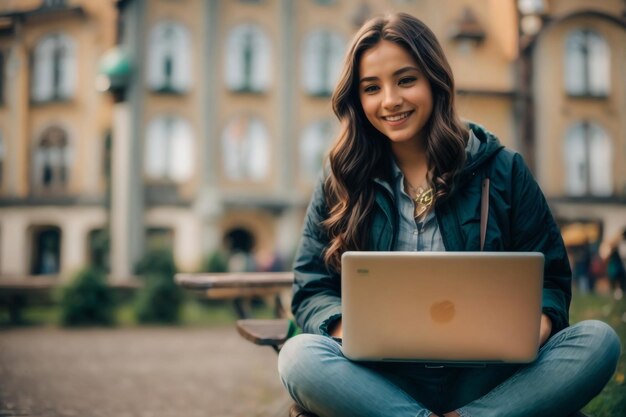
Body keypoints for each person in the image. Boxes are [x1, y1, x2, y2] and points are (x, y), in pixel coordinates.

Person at [277, 12, 621, 417]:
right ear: (357, 98)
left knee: (599, 341)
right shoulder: (342, 178)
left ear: (434, 81)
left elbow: (551, 281)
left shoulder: (503, 170)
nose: (390, 101)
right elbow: (311, 286)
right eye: (372, 88)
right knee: (298, 356)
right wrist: (344, 329)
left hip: (487, 373)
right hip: (379, 377)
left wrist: (536, 328)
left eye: (406, 80)